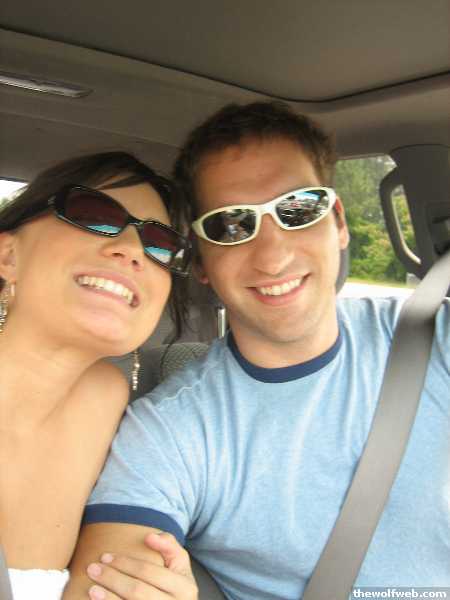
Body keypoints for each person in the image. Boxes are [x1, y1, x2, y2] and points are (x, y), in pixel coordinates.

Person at [65, 103, 449, 599]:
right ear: (201, 263)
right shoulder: (168, 430)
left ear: (337, 222)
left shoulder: (434, 335)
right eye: (230, 225)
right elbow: (110, 573)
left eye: (299, 209)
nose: (273, 257)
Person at [0, 151, 197, 600]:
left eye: (159, 244)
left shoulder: (105, 399)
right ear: (8, 255)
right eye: (95, 215)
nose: (133, 250)